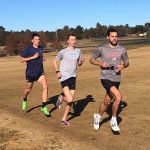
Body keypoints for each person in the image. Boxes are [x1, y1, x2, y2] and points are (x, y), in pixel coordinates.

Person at [89, 28, 129, 131]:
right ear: (108, 37)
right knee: (118, 97)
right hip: (105, 76)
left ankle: (97, 116)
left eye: (116, 36)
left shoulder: (122, 49)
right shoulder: (102, 48)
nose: (114, 38)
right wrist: (100, 63)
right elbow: (91, 60)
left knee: (107, 101)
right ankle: (114, 119)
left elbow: (127, 62)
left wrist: (123, 66)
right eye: (112, 36)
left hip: (116, 77)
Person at [53, 34, 84, 125]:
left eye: (75, 39)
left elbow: (79, 64)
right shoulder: (63, 51)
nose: (74, 41)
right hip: (64, 77)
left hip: (73, 77)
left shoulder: (79, 51)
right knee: (70, 99)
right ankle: (61, 97)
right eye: (72, 40)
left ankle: (64, 119)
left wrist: (81, 61)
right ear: (68, 41)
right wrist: (57, 71)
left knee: (71, 101)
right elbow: (55, 61)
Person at [20, 33, 50, 116]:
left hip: (40, 72)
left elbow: (40, 56)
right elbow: (21, 60)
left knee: (45, 87)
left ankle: (43, 107)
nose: (38, 41)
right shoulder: (28, 49)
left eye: (38, 39)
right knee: (28, 90)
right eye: (36, 39)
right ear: (32, 40)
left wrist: (42, 58)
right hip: (30, 73)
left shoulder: (41, 48)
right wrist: (32, 57)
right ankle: (24, 99)